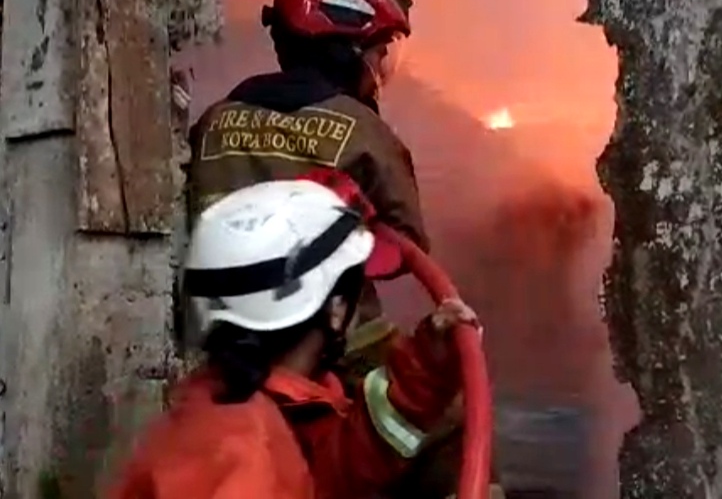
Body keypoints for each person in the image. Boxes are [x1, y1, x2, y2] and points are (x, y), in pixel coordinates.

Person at [185, 0, 503, 498]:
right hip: (329, 330)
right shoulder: (360, 128)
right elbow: (403, 248)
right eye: (379, 52)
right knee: (452, 435)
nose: (382, 67)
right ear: (343, 49)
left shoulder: (215, 119)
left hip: (223, 330)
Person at [110, 179, 478, 499]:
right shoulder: (234, 457)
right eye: (357, 290)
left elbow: (330, 469)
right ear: (336, 308)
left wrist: (425, 370)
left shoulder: (247, 406)